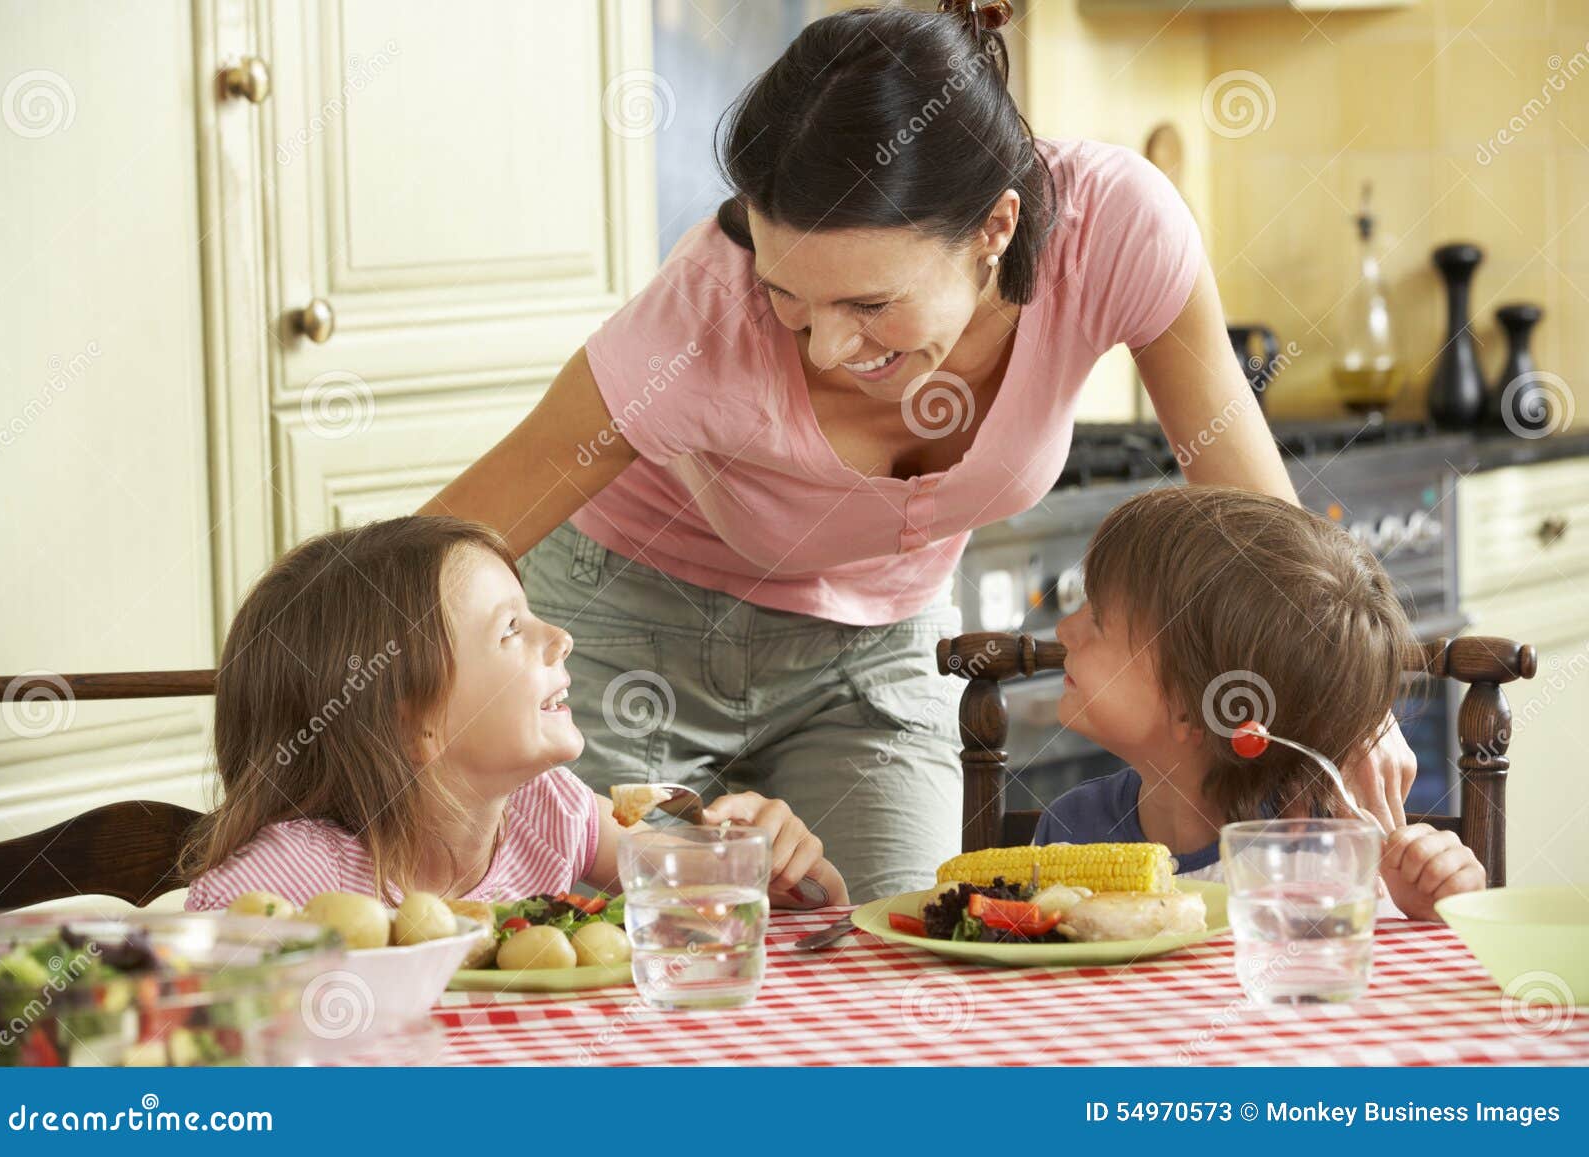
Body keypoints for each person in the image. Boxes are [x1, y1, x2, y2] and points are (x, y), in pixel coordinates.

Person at [419, 4, 1415, 902]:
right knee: (639, 967)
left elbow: (1262, 533)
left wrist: (1348, 702)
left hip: (874, 651)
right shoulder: (697, 324)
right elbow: (436, 554)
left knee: (905, 957)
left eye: (868, 304)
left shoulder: (1116, 230)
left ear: (995, 227)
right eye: (787, 297)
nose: (824, 348)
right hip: (626, 630)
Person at [180, 516, 846, 911]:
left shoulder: (546, 805)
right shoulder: (292, 879)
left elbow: (705, 887)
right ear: (417, 723)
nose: (560, 638)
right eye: (510, 630)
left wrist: (765, 859)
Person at [1036, 486, 1485, 921]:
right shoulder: (1071, 829)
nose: (1064, 630)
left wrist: (1429, 903)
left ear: (1195, 708)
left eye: (1097, 620)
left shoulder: (1326, 848)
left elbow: (1393, 977)